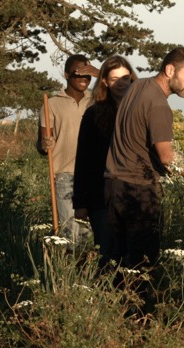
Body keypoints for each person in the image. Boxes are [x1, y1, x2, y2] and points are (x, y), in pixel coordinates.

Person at [105, 46, 184, 270]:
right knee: (140, 269)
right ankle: (138, 305)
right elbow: (168, 157)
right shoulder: (159, 105)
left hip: (113, 187)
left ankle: (111, 305)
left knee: (114, 265)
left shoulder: (138, 86)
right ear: (170, 69)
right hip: (138, 192)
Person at [73, 55, 137, 268]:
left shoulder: (141, 111)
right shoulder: (94, 114)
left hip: (135, 194)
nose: (120, 84)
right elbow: (83, 159)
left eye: (125, 78)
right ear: (105, 82)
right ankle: (104, 299)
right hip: (100, 197)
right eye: (114, 78)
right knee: (107, 255)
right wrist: (80, 202)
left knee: (133, 255)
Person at [40, 54, 99, 245]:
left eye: (88, 75)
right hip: (65, 175)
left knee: (91, 235)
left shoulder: (98, 100)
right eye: (78, 73)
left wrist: (100, 73)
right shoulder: (51, 104)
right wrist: (44, 144)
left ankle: (86, 273)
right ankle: (68, 273)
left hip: (95, 175)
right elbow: (42, 143)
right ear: (66, 75)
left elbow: (127, 90)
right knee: (70, 235)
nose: (83, 78)